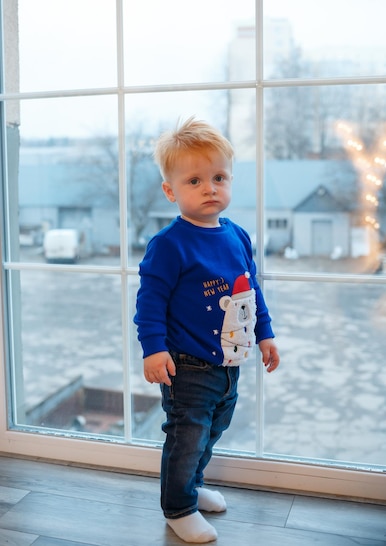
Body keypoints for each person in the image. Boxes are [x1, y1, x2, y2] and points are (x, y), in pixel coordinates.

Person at [134, 117, 280, 543]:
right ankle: (178, 508)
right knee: (187, 435)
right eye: (194, 180)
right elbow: (149, 302)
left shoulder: (237, 236)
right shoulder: (169, 244)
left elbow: (252, 292)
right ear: (171, 191)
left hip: (229, 363)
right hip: (187, 366)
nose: (209, 188)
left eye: (218, 177)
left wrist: (266, 333)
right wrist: (152, 349)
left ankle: (192, 488)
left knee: (211, 432)